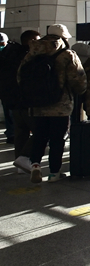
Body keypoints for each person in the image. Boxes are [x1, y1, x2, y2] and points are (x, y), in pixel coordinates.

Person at [21, 24, 87, 183]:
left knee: (39, 136)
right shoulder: (67, 54)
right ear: (64, 37)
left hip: (37, 104)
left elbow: (20, 76)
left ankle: (35, 166)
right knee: (57, 139)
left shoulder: (33, 52)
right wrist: (80, 91)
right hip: (60, 106)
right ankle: (54, 173)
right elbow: (78, 79)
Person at [0, 30, 41, 173]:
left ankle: (20, 164)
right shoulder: (28, 57)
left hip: (13, 100)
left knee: (20, 132)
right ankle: (24, 158)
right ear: (30, 41)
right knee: (40, 131)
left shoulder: (10, 54)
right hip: (28, 100)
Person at [0, 31, 15, 144]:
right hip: (5, 86)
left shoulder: (12, 53)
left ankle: (12, 133)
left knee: (9, 112)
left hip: (9, 87)